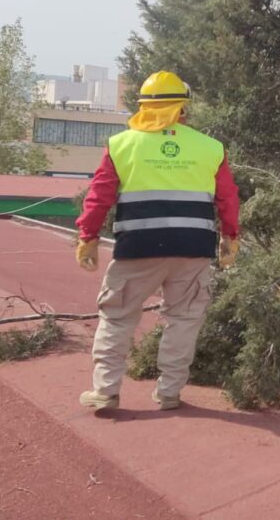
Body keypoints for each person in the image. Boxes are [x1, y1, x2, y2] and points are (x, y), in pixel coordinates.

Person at [75, 70, 240, 411]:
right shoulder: (210, 148)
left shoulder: (121, 145)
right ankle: (169, 393)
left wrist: (87, 237)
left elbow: (99, 197)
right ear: (183, 108)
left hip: (138, 248)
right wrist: (230, 237)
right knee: (184, 318)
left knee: (118, 317)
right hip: (193, 249)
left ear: (143, 106)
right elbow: (228, 198)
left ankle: (106, 392)